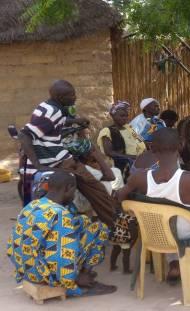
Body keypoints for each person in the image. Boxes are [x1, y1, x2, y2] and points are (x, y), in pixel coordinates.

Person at [117, 128, 190, 282]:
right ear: (181, 145)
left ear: (151, 149)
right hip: (186, 233)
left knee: (167, 223)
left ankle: (174, 264)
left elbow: (121, 197)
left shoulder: (138, 177)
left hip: (155, 232)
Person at [18, 80, 116, 227]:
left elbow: (57, 121)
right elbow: (24, 135)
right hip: (57, 160)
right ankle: (116, 224)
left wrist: (75, 120)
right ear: (61, 97)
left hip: (55, 157)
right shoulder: (52, 111)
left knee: (94, 187)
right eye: (72, 95)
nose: (75, 98)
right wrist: (38, 165)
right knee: (96, 189)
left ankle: (111, 221)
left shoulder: (49, 106)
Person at [6, 171, 116, 297]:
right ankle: (80, 281)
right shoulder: (61, 215)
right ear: (68, 188)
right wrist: (72, 281)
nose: (74, 195)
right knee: (96, 233)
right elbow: (60, 256)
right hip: (40, 274)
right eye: (74, 191)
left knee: (88, 224)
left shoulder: (34, 204)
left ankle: (81, 273)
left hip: (23, 267)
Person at [97, 101, 146, 176]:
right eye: (122, 116)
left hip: (138, 163)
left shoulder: (129, 128)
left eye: (126, 116)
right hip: (122, 166)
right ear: (113, 115)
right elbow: (109, 152)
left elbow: (140, 141)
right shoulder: (107, 131)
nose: (125, 118)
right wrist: (132, 157)